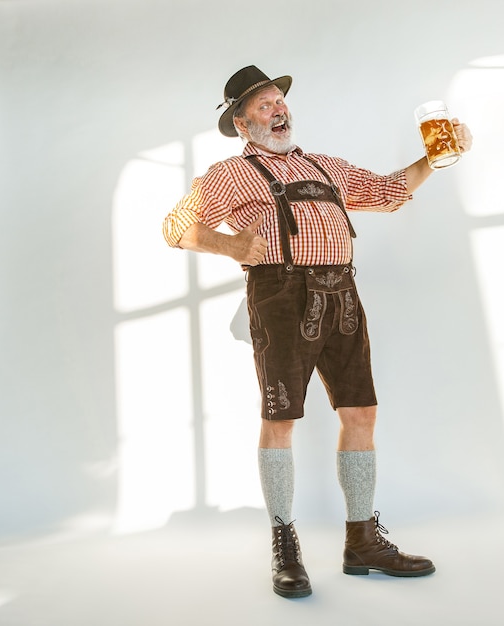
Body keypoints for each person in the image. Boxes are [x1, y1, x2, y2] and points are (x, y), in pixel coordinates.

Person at [162, 65, 473, 599]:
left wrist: (437, 159)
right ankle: (285, 546)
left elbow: (386, 192)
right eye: (264, 105)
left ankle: (361, 543)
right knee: (279, 417)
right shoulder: (228, 175)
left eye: (279, 101)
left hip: (343, 296)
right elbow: (175, 226)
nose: (278, 110)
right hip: (281, 298)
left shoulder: (324, 166)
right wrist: (231, 245)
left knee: (360, 411)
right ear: (241, 123)